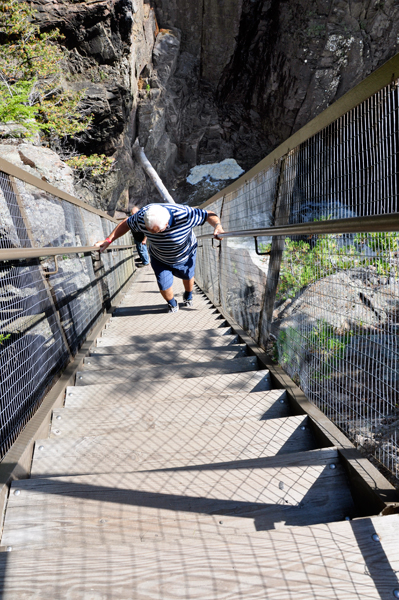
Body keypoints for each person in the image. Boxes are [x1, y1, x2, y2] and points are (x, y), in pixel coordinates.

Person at [95, 203, 224, 313]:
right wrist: (108, 240)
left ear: (167, 223)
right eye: (148, 231)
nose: (152, 234)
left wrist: (218, 226)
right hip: (159, 257)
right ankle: (172, 304)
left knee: (188, 277)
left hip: (185, 254)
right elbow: (126, 224)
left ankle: (188, 296)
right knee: (163, 285)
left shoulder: (185, 214)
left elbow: (208, 214)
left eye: (157, 232)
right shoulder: (141, 216)